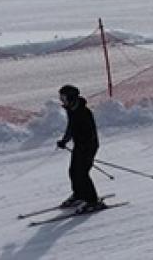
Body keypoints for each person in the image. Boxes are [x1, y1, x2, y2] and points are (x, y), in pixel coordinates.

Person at [56, 84, 104, 212]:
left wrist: (83, 147)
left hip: (89, 146)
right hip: (79, 146)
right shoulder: (72, 110)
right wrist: (64, 140)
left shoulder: (84, 112)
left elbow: (90, 134)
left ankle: (93, 201)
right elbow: (71, 128)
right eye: (61, 98)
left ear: (71, 97)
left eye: (64, 98)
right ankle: (79, 195)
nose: (62, 101)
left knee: (82, 174)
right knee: (73, 171)